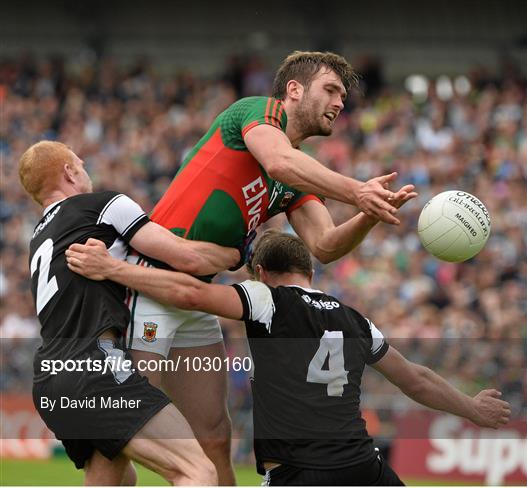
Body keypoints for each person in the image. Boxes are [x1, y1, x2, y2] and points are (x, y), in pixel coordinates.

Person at [129, 50, 417, 484]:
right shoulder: (257, 111)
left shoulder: (293, 179)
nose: (341, 102)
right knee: (125, 423)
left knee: (214, 435)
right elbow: (279, 160)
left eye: (344, 95)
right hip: (150, 282)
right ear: (295, 90)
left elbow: (324, 245)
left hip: (195, 295)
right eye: (331, 89)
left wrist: (370, 213)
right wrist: (358, 191)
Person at [66, 230, 511, 486]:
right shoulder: (354, 318)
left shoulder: (267, 300)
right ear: (311, 272)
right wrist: (471, 407)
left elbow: (191, 293)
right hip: (364, 467)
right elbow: (415, 379)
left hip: (301, 473)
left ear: (261, 273)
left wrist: (115, 270)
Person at [19, 140, 242, 485]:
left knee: (117, 478)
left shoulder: (38, 240)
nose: (85, 171)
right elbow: (185, 257)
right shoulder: (102, 205)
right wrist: (234, 255)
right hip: (95, 368)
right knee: (197, 471)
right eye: (81, 164)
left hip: (50, 379)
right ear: (69, 171)